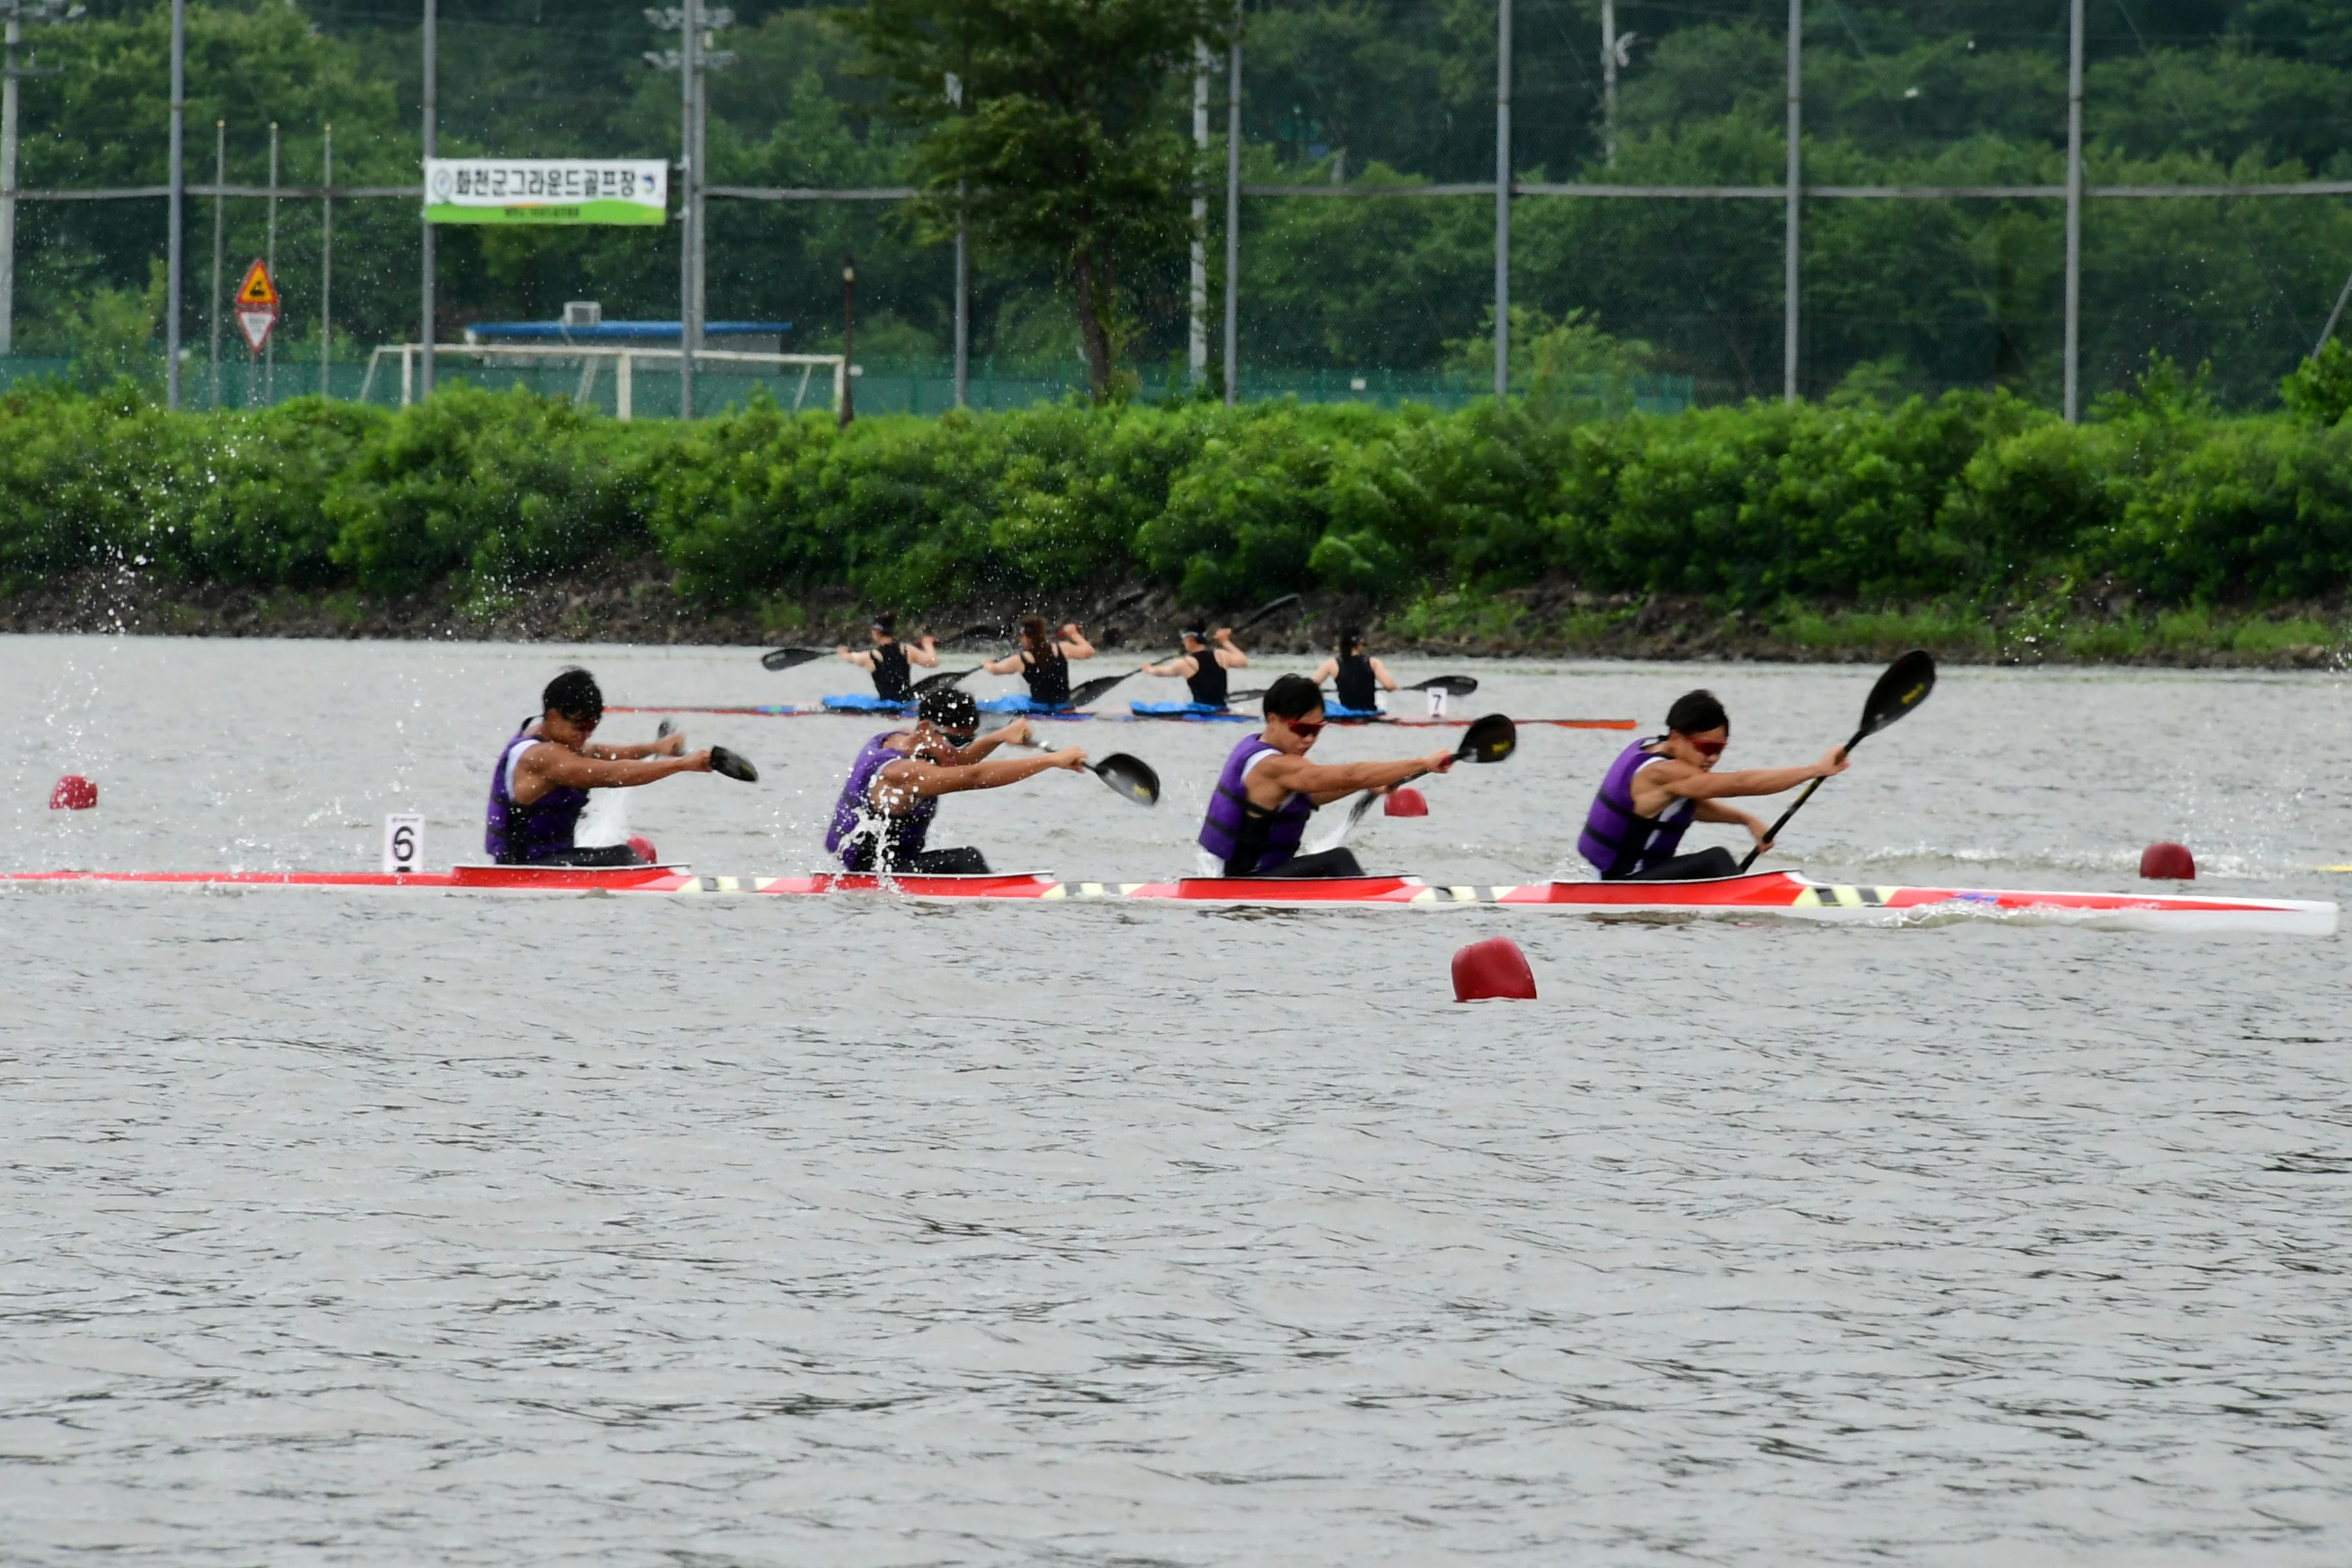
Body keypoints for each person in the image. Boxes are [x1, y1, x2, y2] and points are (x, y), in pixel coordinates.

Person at [1195, 674, 1456, 879]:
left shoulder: (1259, 752)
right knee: (1338, 860)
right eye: (1302, 729)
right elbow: (1351, 774)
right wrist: (1424, 762)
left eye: (1317, 730)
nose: (1309, 739)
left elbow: (1313, 795)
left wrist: (1370, 785)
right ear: (1272, 720)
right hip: (1244, 884)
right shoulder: (1272, 765)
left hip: (1245, 877)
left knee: (1331, 861)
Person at [1578, 689, 1850, 881]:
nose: (1713, 757)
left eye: (1720, 748)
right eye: (1706, 747)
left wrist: (1746, 820)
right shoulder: (1660, 772)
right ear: (1676, 737)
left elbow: (1691, 807)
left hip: (1618, 877)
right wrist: (1816, 769)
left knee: (1714, 863)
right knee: (1716, 859)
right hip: (1621, 884)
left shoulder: (1654, 749)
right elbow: (1742, 783)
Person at [826, 687, 1087, 875]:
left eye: (966, 741)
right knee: (968, 858)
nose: (958, 750)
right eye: (956, 741)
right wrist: (1053, 760)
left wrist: (1000, 736)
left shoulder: (905, 740)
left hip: (887, 867)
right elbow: (974, 776)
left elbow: (956, 761)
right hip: (869, 873)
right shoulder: (901, 772)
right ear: (927, 729)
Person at [485, 667, 716, 866]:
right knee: (623, 855)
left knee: (641, 847)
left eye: (593, 726)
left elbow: (602, 753)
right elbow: (611, 774)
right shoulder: (542, 756)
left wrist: (655, 748)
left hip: (550, 859)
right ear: (555, 715)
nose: (587, 734)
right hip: (524, 866)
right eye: (582, 726)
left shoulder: (548, 734)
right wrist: (683, 764)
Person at [983, 615, 1095, 709]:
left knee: (1009, 700)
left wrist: (987, 664)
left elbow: (995, 670)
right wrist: (1073, 634)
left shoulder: (1020, 660)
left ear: (1025, 637)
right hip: (1064, 705)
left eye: (1021, 637)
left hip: (1039, 707)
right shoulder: (1062, 649)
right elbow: (1089, 651)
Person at [835, 611, 939, 703]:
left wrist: (843, 652)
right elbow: (933, 662)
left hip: (886, 707)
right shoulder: (908, 651)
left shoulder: (870, 657)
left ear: (875, 631)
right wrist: (928, 644)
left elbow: (851, 658)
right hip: (907, 704)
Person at [1143, 626, 1249, 708]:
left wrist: (1149, 669)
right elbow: (1244, 661)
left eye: (1183, 639)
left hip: (1200, 711)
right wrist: (1225, 641)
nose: (1183, 642)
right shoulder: (1221, 655)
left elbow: (1162, 672)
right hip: (1222, 709)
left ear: (1190, 639)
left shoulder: (1184, 663)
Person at [1309, 628, 1398, 712]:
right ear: (1360, 642)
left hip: (1345, 714)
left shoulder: (1331, 665)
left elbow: (1310, 687)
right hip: (1369, 713)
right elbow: (1390, 686)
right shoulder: (1373, 663)